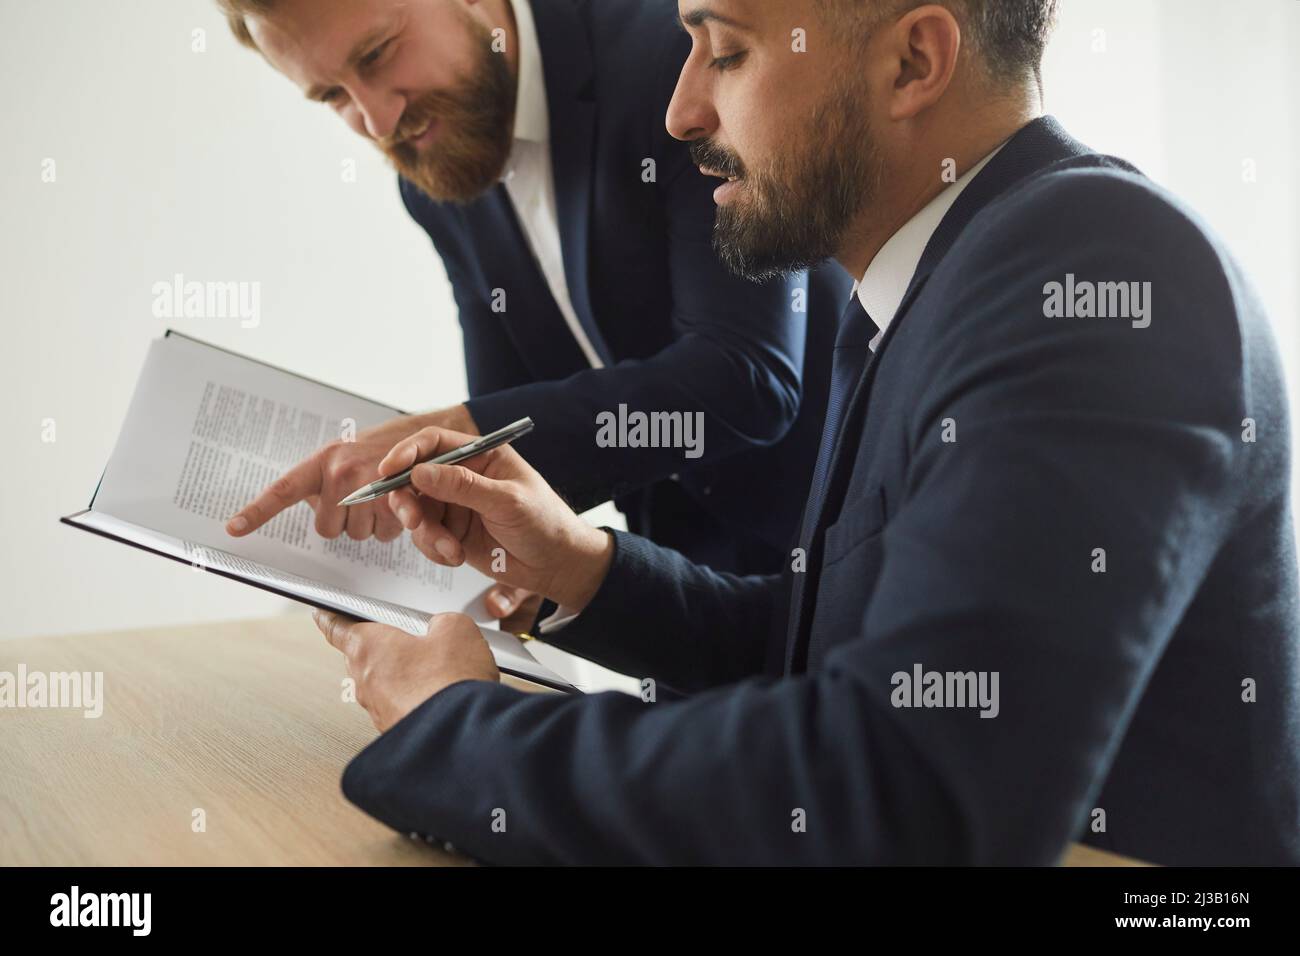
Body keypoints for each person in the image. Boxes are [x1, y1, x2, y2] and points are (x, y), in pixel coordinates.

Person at [313, 0, 1300, 865]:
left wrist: (459, 730)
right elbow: (836, 646)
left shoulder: (1091, 282)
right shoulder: (935, 286)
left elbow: (895, 787)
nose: (681, 111)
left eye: (725, 51)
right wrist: (580, 572)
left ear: (913, 62)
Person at [217, 0, 852, 588]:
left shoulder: (671, 58)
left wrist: (451, 433)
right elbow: (515, 424)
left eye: (378, 54)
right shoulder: (435, 175)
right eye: (332, 95)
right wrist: (503, 555)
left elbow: (748, 378)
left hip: (850, 548)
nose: (378, 120)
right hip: (683, 596)